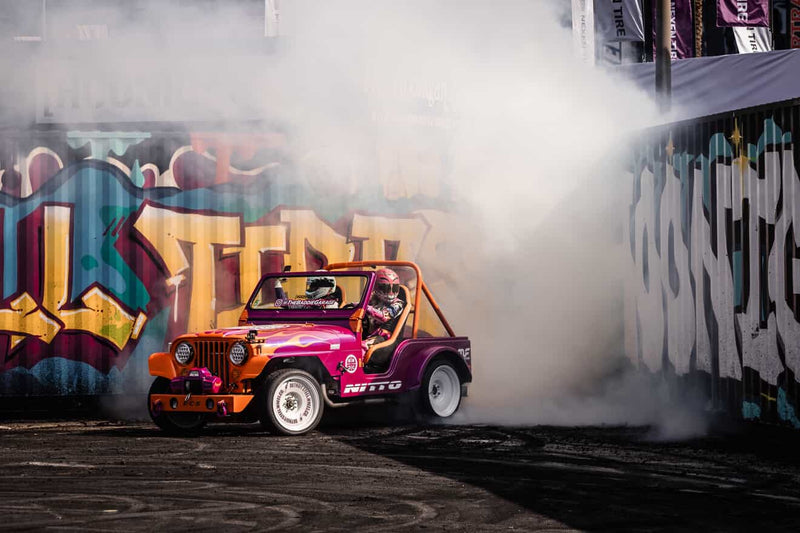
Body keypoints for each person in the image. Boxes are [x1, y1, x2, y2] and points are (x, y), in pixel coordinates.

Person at [363, 268, 405, 350]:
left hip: (385, 338)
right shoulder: (373, 299)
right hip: (369, 333)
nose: (391, 292)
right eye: (385, 288)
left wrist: (366, 308)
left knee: (360, 347)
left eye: (395, 288)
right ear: (375, 287)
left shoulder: (398, 304)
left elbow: (384, 317)